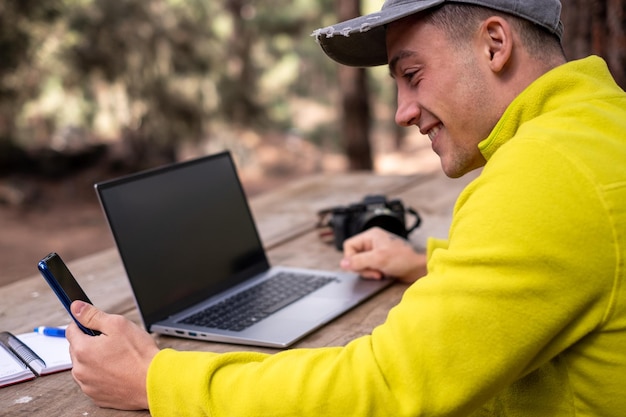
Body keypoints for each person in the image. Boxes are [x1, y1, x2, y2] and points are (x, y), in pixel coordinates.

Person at [66, 0, 626, 415]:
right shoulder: (597, 129)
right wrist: (426, 264)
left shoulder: (547, 172)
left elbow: (385, 389)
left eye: (412, 75)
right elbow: (568, 264)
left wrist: (155, 380)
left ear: (495, 44)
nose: (403, 112)